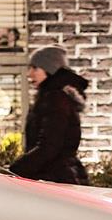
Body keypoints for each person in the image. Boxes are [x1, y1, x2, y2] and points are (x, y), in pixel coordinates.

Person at [10, 45, 89, 184]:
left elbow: (49, 146)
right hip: (56, 177)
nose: (29, 74)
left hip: (54, 179)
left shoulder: (54, 99)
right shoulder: (54, 97)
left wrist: (15, 170)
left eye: (35, 68)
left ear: (50, 69)